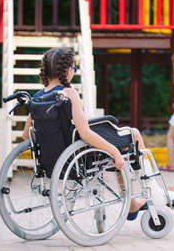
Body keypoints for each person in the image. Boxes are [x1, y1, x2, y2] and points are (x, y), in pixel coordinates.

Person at [21, 48, 148, 220]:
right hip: (79, 158)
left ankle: (133, 203)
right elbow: (85, 133)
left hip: (54, 161)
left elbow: (26, 136)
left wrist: (51, 143)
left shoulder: (37, 98)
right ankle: (147, 191)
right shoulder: (69, 94)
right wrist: (114, 152)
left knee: (116, 142)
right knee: (132, 135)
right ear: (67, 70)